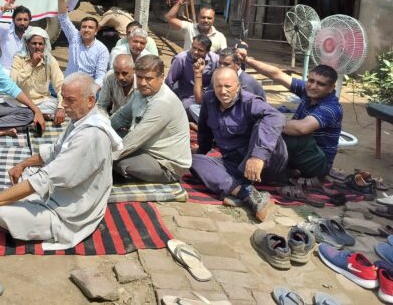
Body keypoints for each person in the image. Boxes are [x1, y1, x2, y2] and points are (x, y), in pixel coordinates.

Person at [0, 73, 123, 250]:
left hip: (69, 211)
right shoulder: (81, 119)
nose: (63, 105)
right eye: (63, 98)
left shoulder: (91, 134)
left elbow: (46, 177)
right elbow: (55, 151)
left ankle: (52, 226)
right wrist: (23, 164)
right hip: (61, 192)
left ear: (90, 101)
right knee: (24, 177)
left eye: (70, 100)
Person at [191, 68, 288, 222]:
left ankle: (235, 188)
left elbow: (276, 117)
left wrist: (258, 156)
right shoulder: (209, 100)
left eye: (228, 86)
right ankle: (246, 193)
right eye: (218, 86)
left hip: (265, 164)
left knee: (262, 123)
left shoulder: (249, 101)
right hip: (236, 164)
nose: (223, 91)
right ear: (213, 86)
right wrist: (200, 152)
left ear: (237, 86)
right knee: (193, 161)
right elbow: (205, 132)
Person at [237, 49, 342, 178]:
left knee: (274, 134)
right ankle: (257, 166)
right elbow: (277, 74)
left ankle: (251, 173)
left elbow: (302, 128)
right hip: (302, 154)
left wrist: (270, 122)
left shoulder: (331, 108)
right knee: (263, 132)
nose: (313, 86)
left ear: (331, 88)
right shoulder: (308, 90)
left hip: (318, 164)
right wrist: (247, 60)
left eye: (320, 84)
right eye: (311, 80)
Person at [110, 55, 191, 183]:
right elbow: (120, 117)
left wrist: (103, 157)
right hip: (145, 148)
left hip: (165, 165)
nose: (142, 83)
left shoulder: (163, 102)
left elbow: (134, 140)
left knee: (119, 161)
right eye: (140, 77)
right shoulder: (139, 94)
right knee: (106, 138)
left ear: (161, 78)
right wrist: (99, 133)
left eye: (148, 78)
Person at [55, 0, 109, 86]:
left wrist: (91, 92)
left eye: (90, 27)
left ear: (96, 31)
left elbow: (100, 77)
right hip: (68, 85)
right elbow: (63, 17)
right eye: (84, 27)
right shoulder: (75, 37)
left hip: (87, 89)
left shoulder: (101, 50)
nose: (86, 30)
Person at [9, 27, 66, 125]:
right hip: (20, 102)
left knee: (64, 107)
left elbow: (60, 85)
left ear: (45, 45)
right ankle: (38, 114)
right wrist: (32, 64)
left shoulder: (50, 60)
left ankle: (31, 115)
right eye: (34, 43)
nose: (37, 47)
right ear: (27, 44)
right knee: (8, 108)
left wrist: (61, 108)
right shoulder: (18, 58)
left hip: (42, 102)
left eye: (40, 44)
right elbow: (14, 83)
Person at [165, 35, 219, 122]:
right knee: (184, 111)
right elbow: (169, 82)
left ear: (207, 52)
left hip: (209, 97)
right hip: (188, 97)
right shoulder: (181, 59)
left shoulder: (215, 60)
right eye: (193, 48)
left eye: (200, 50)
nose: (195, 52)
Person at [0, 0, 32, 72]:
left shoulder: (33, 33)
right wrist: (3, 9)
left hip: (26, 72)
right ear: (13, 20)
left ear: (30, 20)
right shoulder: (5, 30)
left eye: (25, 19)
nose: (22, 23)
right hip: (6, 72)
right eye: (19, 19)